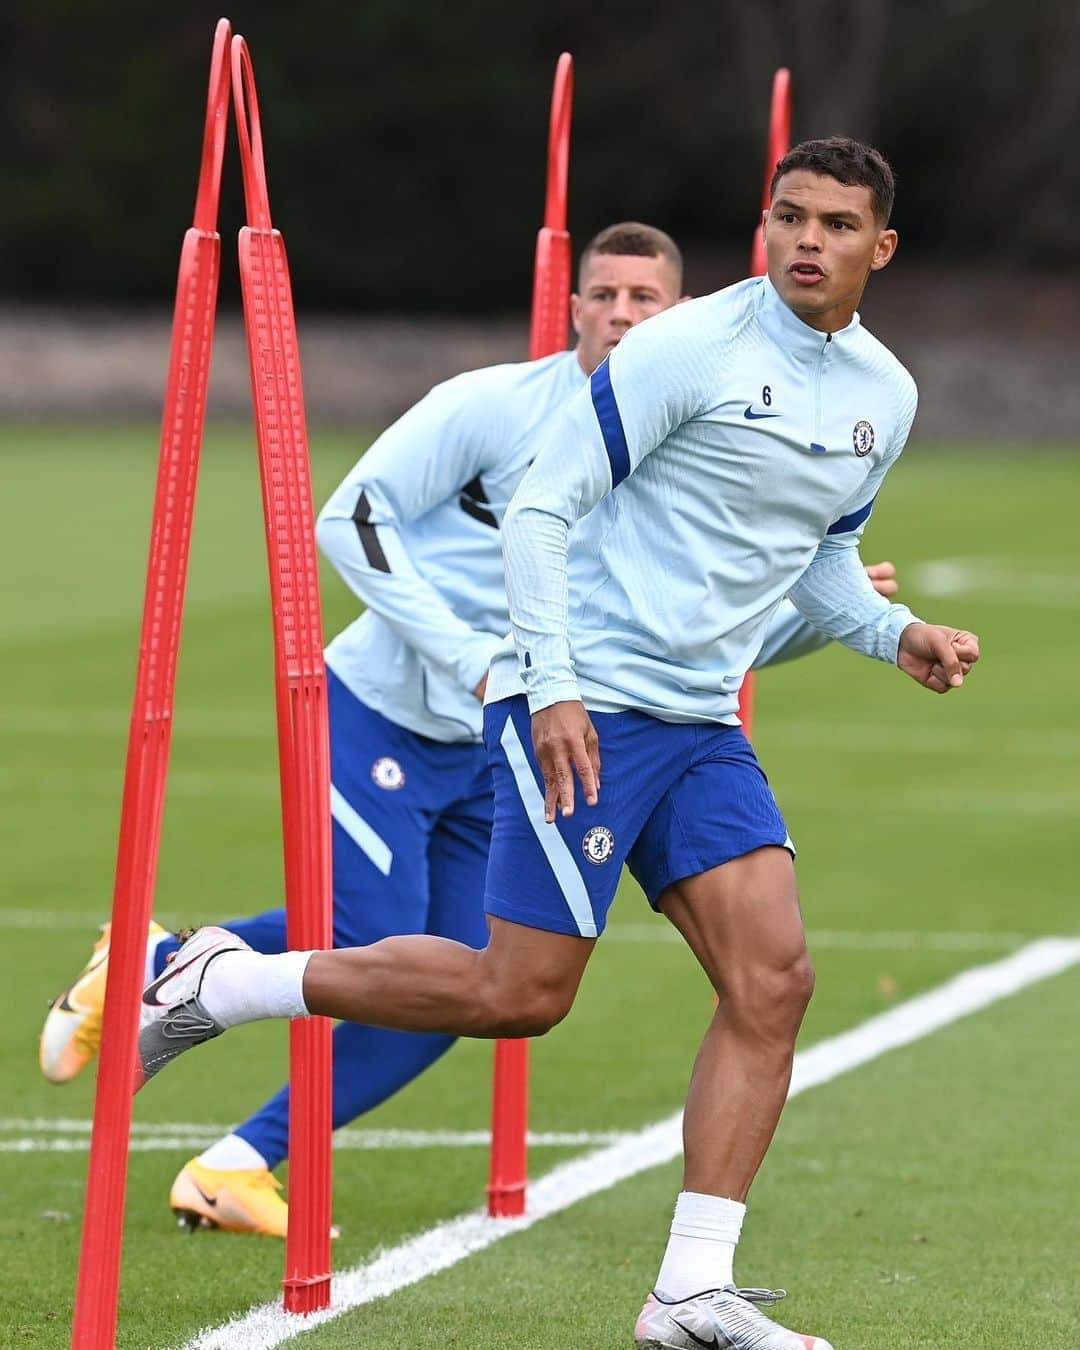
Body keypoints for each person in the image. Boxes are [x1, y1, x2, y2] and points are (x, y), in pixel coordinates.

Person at [134, 139, 979, 1347]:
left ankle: (690, 1293)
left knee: (774, 979)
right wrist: (551, 682)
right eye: (789, 217)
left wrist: (893, 632)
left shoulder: (882, 396)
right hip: (581, 700)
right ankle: (223, 981)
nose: (808, 241)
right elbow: (543, 505)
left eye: (837, 225)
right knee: (517, 994)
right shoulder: (690, 345)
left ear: (880, 248)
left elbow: (823, 557)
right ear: (763, 228)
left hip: (696, 718)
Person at [41, 219, 893, 1242]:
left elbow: (690, 645)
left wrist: (835, 617)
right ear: (573, 304)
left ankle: (233, 1161)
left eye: (645, 299)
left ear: (682, 317)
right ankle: (170, 959)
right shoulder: (495, 404)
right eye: (604, 294)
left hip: (512, 750)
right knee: (371, 934)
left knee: (460, 982)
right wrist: (469, 659)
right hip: (379, 713)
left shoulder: (686, 438)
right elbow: (351, 518)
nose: (622, 313)